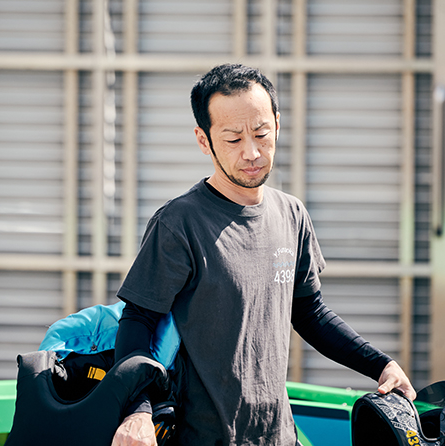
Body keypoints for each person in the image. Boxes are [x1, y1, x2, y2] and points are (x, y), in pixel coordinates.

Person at [111, 63, 415, 446]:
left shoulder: (292, 215)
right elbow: (137, 321)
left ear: (277, 125)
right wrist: (137, 411)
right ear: (204, 140)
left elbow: (310, 313)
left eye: (261, 134)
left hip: (278, 435)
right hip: (201, 437)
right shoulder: (178, 224)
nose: (252, 152)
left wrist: (381, 365)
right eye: (233, 139)